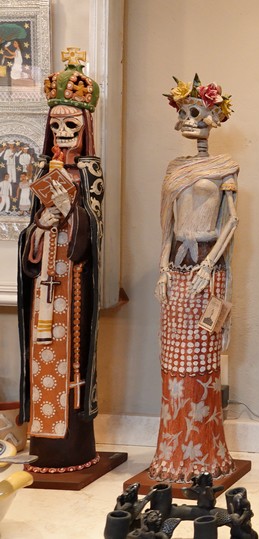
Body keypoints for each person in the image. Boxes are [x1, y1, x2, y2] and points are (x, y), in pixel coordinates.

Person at [18, 50, 104, 473]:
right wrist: (40, 227)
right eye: (55, 125)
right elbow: (28, 239)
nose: (63, 133)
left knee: (72, 363)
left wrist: (73, 214)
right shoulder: (42, 170)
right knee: (42, 358)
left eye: (71, 125)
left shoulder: (90, 173)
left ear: (85, 126)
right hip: (44, 289)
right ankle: (43, 445)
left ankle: (73, 447)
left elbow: (95, 232)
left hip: (74, 283)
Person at [150, 75, 238, 482]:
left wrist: (208, 264)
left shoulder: (224, 168)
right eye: (185, 112)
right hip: (175, 270)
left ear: (213, 117)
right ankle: (172, 453)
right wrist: (162, 269)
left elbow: (232, 221)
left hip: (207, 268)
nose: (189, 120)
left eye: (197, 112)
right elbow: (167, 224)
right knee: (173, 356)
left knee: (202, 356)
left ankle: (205, 453)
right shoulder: (174, 168)